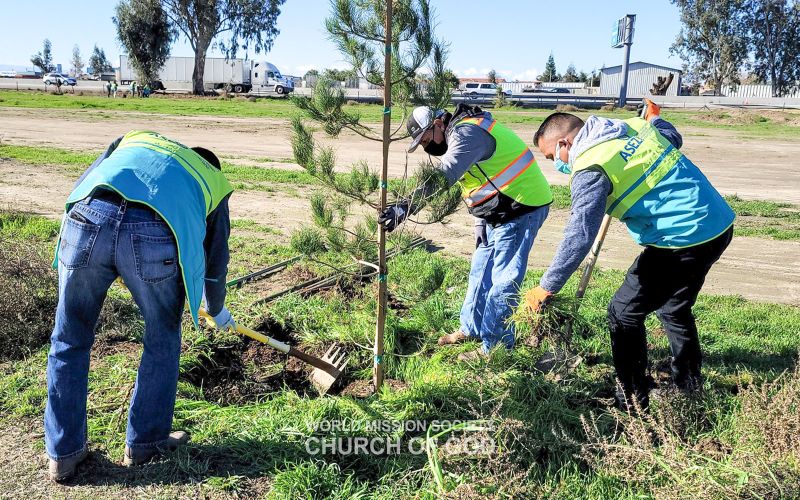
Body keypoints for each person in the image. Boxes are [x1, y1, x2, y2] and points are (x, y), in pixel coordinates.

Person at [45, 131, 236, 481]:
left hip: (86, 219)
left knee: (69, 339)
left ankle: (63, 453)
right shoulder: (214, 182)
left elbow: (85, 182)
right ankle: (145, 444)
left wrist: (104, 248)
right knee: (162, 340)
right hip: (152, 235)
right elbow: (216, 260)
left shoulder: (135, 139)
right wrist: (217, 309)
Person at [525, 100, 735, 409]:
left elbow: (580, 233)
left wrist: (547, 286)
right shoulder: (632, 128)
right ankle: (688, 385)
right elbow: (672, 136)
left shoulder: (590, 166)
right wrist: (655, 118)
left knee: (622, 313)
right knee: (673, 308)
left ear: (564, 143)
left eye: (552, 157)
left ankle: (631, 398)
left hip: (681, 240)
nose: (557, 163)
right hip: (717, 225)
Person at [381, 104, 553, 359]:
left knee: (503, 279)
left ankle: (495, 348)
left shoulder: (466, 134)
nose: (428, 147)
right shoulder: (457, 136)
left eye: (426, 140)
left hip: (521, 207)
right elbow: (477, 181)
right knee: (480, 270)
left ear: (438, 123)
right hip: (497, 210)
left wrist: (404, 207)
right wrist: (480, 222)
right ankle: (470, 328)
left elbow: (446, 174)